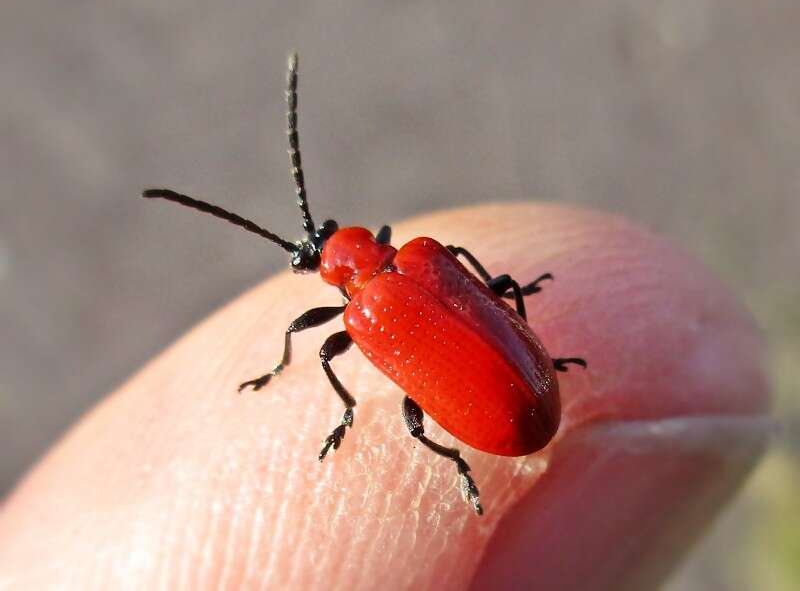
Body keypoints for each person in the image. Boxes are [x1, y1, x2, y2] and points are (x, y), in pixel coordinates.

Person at [0, 204, 770, 590]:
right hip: (527, 385)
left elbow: (334, 339)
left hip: (516, 399)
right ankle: (470, 415)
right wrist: (512, 307)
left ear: (329, 274)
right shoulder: (423, 257)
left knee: (392, 406)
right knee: (486, 283)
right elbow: (476, 274)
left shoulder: (360, 317)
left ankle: (433, 452)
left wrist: (344, 407)